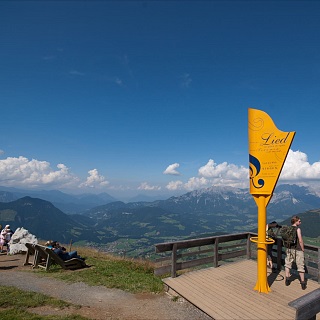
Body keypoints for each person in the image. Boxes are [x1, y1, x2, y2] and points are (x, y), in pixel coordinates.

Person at [284, 215, 306, 290]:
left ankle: (287, 279)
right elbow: (300, 240)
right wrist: (303, 248)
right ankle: (303, 283)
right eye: (299, 221)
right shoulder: (298, 229)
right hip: (298, 250)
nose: (300, 222)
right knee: (300, 266)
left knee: (288, 264)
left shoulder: (288, 229)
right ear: (295, 221)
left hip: (289, 249)